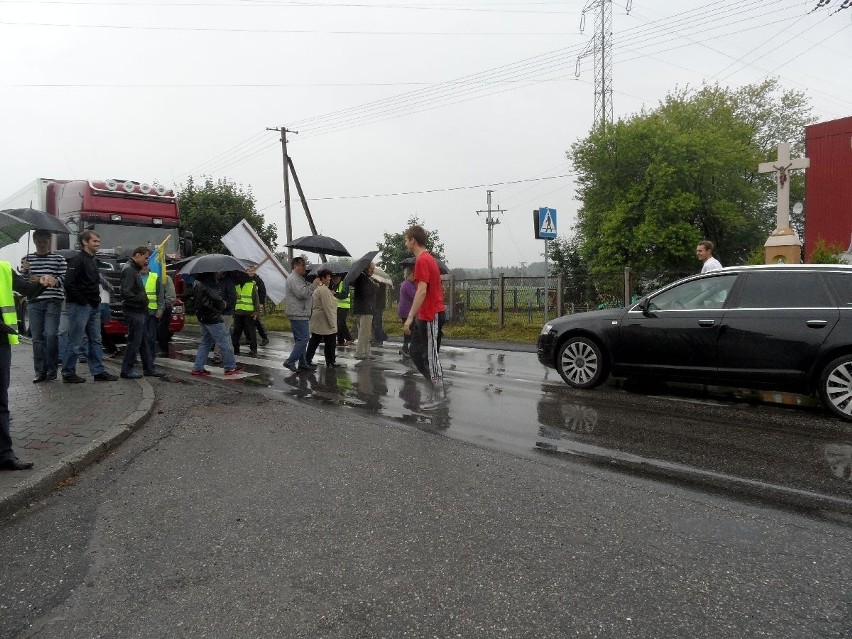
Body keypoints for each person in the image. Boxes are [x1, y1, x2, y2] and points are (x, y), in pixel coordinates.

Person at [1, 261, 51, 470]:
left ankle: (4, 455)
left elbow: (26, 289)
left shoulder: (3, 267)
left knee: (0, 401)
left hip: (0, 341)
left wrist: (41, 282)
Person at [61, 231, 118, 383]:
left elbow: (94, 282)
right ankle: (68, 373)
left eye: (98, 241)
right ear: (85, 242)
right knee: (75, 341)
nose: (98, 244)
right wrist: (82, 300)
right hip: (80, 306)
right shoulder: (77, 260)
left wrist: (95, 301)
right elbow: (68, 283)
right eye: (94, 241)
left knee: (96, 340)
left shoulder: (93, 260)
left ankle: (98, 372)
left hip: (93, 305)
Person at [402, 225, 447, 410]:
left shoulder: (422, 260)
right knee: (414, 352)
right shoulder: (425, 259)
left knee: (430, 357)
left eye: (406, 240)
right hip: (425, 315)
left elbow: (421, 291)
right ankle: (436, 384)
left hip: (431, 314)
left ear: (413, 240)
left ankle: (439, 394)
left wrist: (410, 317)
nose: (406, 243)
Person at [20, 229, 66, 383]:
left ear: (49, 241)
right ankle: (40, 371)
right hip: (34, 301)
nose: (41, 245)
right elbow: (23, 284)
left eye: (44, 241)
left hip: (53, 300)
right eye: (38, 242)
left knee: (51, 335)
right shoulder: (27, 259)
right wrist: (25, 272)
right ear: (34, 241)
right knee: (37, 338)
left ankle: (52, 369)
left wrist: (53, 280)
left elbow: (64, 279)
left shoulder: (59, 259)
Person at [190, 272, 244, 377]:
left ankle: (198, 367)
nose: (217, 273)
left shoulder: (197, 283)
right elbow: (217, 300)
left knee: (205, 343)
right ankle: (230, 366)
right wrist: (223, 304)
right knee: (224, 341)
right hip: (213, 317)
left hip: (203, 317)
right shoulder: (209, 284)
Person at [119, 247, 162, 379]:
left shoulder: (134, 270)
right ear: (137, 255)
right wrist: (142, 298)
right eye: (145, 258)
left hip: (139, 311)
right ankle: (126, 370)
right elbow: (125, 292)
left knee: (144, 341)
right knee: (135, 341)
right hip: (134, 311)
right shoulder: (130, 270)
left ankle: (149, 368)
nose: (146, 261)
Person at [283, 256, 316, 373]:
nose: (304, 267)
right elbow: (302, 293)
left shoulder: (299, 278)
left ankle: (302, 363)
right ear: (295, 266)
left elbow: (304, 289)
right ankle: (290, 361)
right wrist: (313, 285)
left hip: (299, 312)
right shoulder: (293, 279)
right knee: (304, 339)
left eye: (304, 265)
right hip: (298, 313)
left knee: (300, 340)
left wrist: (311, 283)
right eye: (302, 265)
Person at [305, 268, 339, 367]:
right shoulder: (323, 289)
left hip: (319, 320)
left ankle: (308, 360)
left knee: (315, 341)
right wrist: (332, 323)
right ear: (323, 278)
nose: (330, 279)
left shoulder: (322, 288)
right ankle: (330, 362)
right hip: (324, 319)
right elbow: (327, 307)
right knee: (330, 342)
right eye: (328, 277)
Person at [232, 267, 260, 356]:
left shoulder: (252, 284)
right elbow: (233, 299)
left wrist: (256, 312)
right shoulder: (235, 285)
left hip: (249, 312)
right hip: (238, 312)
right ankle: (235, 348)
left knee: (251, 332)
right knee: (236, 331)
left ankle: (253, 349)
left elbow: (256, 299)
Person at [352, 262, 378, 361]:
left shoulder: (363, 278)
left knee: (365, 332)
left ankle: (366, 352)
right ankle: (360, 353)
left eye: (373, 268)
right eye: (371, 268)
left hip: (363, 309)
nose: (372, 270)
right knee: (364, 332)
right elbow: (366, 292)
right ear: (366, 268)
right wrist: (375, 286)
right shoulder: (363, 278)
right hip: (365, 309)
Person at [142, 262, 165, 368]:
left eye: (146, 265)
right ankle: (142, 360)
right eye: (143, 265)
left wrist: (160, 308)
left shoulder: (154, 277)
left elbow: (160, 295)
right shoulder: (135, 276)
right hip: (140, 313)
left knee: (151, 338)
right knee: (139, 338)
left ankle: (150, 361)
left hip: (152, 313)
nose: (145, 267)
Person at [156, 270, 176, 357]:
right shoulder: (150, 277)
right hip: (153, 308)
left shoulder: (166, 278)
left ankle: (164, 350)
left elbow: (171, 296)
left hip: (164, 308)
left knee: (162, 330)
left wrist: (163, 306)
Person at [397, 266, 416, 357]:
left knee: (409, 331)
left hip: (406, 310)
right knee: (409, 330)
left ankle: (405, 348)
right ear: (408, 275)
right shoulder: (407, 284)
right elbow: (414, 296)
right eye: (413, 275)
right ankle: (406, 348)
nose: (414, 277)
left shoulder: (408, 283)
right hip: (406, 311)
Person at [333, 275, 354, 347]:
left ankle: (349, 339)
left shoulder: (344, 284)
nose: (334, 280)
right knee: (338, 324)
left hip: (344, 307)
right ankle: (340, 341)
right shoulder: (334, 285)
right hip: (337, 307)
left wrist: (335, 294)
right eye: (333, 278)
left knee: (341, 323)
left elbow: (344, 295)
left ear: (339, 277)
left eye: (336, 278)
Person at [372, 281, 388, 346]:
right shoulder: (381, 283)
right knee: (378, 322)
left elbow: (377, 294)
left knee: (377, 323)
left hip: (377, 305)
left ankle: (379, 339)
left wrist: (375, 286)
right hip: (379, 305)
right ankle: (381, 336)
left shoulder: (380, 284)